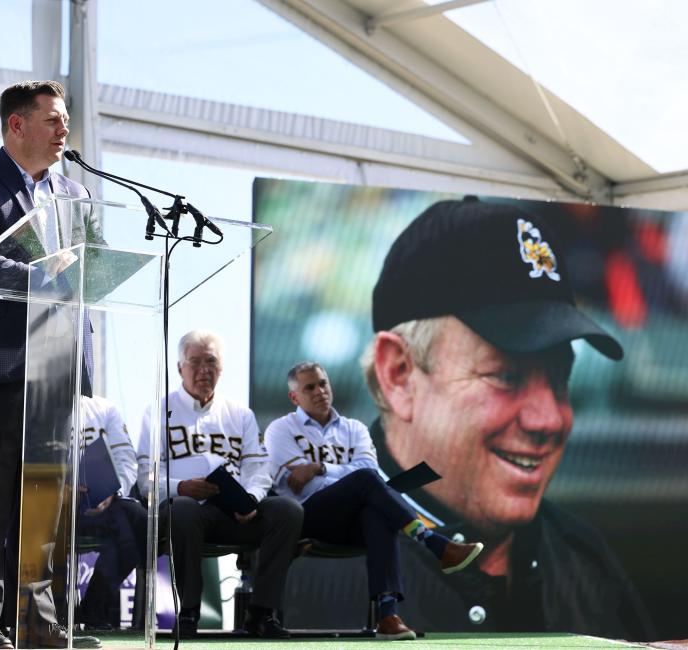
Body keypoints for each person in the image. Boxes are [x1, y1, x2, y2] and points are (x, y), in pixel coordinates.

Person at [360, 196, 654, 638]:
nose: (549, 419)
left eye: (559, 379)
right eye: (505, 376)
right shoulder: (311, 572)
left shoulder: (586, 562)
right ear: (399, 375)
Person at [0, 80, 99, 649]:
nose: (64, 131)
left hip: (58, 359)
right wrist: (46, 272)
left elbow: (94, 269)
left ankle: (40, 622)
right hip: (0, 360)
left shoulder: (75, 195)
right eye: (53, 120)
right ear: (17, 125)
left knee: (46, 499)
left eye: (65, 121)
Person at [264, 361, 483, 640]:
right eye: (310, 387)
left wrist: (320, 467)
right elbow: (299, 481)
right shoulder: (280, 430)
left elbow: (361, 468)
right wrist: (347, 479)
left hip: (353, 518)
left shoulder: (355, 429)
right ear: (294, 397)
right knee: (368, 484)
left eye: (323, 383)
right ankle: (433, 542)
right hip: (307, 518)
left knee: (377, 512)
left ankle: (388, 616)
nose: (320, 391)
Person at [136, 330, 304, 639]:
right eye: (194, 362)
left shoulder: (239, 413)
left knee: (287, 510)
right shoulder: (158, 412)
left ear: (222, 367)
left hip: (233, 514)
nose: (203, 370)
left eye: (211, 361)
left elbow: (257, 467)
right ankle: (187, 613)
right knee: (183, 508)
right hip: (186, 514)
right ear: (179, 368)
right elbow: (145, 476)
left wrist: (251, 499)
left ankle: (261, 613)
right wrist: (180, 487)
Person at [76, 395, 146, 630]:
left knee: (135, 519)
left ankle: (93, 609)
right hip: (52, 501)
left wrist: (112, 490)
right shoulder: (36, 404)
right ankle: (52, 611)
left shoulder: (105, 409)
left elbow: (126, 459)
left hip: (100, 500)